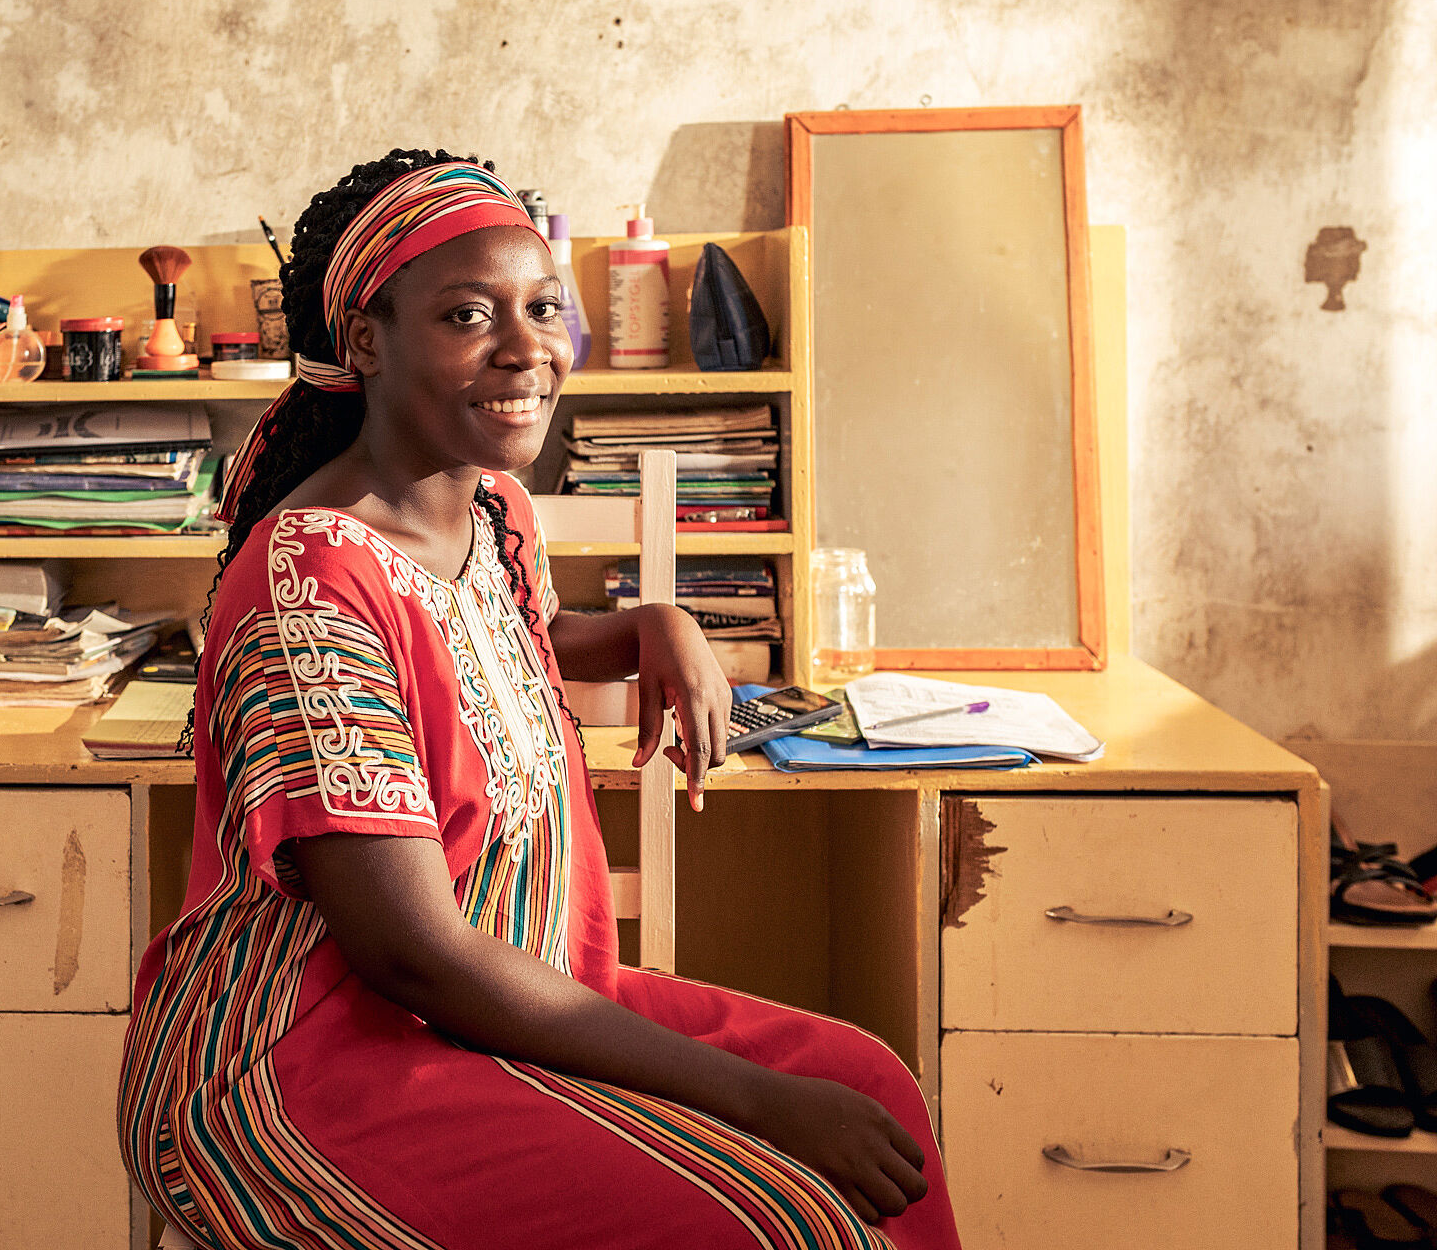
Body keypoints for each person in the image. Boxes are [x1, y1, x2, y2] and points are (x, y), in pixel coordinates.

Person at [119, 149, 962, 1250]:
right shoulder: (310, 585)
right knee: (791, 1222)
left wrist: (661, 624)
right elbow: (413, 952)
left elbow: (519, 640)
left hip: (499, 1006)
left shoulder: (494, 508)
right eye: (469, 314)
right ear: (365, 340)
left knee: (869, 1083)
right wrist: (753, 1101)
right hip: (303, 1069)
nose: (527, 350)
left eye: (542, 306)